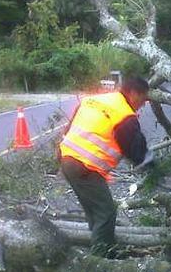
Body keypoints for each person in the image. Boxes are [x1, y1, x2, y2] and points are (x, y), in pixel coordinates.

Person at [58, 76, 153, 257]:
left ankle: (103, 245)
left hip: (67, 159)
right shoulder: (124, 114)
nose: (143, 104)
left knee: (94, 210)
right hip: (85, 167)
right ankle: (100, 261)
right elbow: (136, 151)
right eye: (143, 98)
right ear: (133, 93)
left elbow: (69, 128)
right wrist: (153, 166)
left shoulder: (95, 100)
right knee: (106, 212)